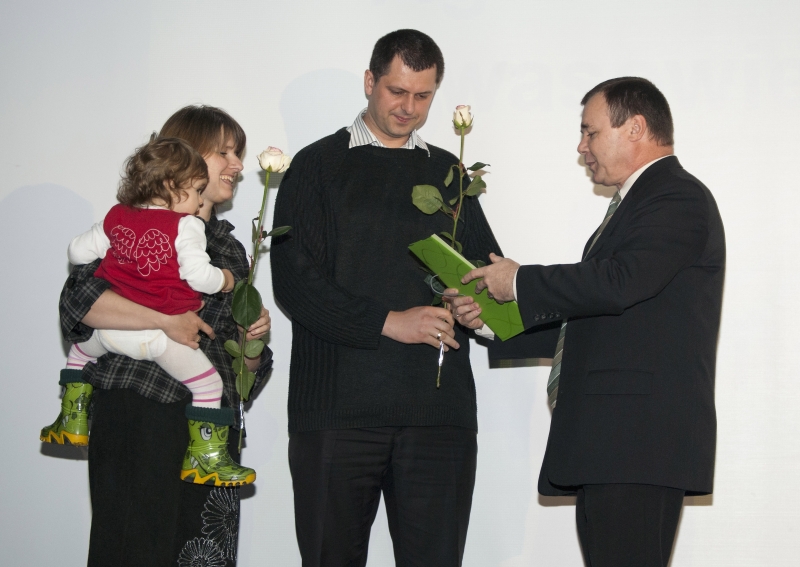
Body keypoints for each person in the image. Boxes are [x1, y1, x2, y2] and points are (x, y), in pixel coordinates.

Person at [453, 77, 725, 567]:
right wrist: (492, 322)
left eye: (590, 132)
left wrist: (519, 280)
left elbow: (616, 283)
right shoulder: (642, 204)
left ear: (635, 128)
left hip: (639, 447)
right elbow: (594, 318)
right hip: (617, 448)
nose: (581, 147)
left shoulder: (676, 197)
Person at [270, 29, 501, 566]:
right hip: (337, 410)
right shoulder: (315, 166)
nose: (409, 108)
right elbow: (295, 283)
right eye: (397, 91)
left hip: (438, 413)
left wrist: (478, 311)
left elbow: (486, 275)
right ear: (370, 81)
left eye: (423, 96)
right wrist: (389, 321)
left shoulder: (450, 173)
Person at [58, 105, 273, 566]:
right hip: (141, 414)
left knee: (201, 554)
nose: (238, 165)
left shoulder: (230, 247)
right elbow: (79, 303)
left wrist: (252, 343)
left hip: (208, 430)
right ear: (185, 158)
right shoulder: (131, 225)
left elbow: (241, 371)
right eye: (225, 152)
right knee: (133, 550)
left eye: (238, 153)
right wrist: (164, 321)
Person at [41, 135, 256, 486]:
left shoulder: (117, 215)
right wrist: (226, 280)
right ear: (173, 184)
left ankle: (71, 417)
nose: (199, 199)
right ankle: (204, 457)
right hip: (156, 345)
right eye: (196, 189)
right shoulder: (186, 226)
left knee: (79, 351)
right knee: (208, 385)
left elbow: (77, 253)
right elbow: (199, 278)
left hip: (108, 337)